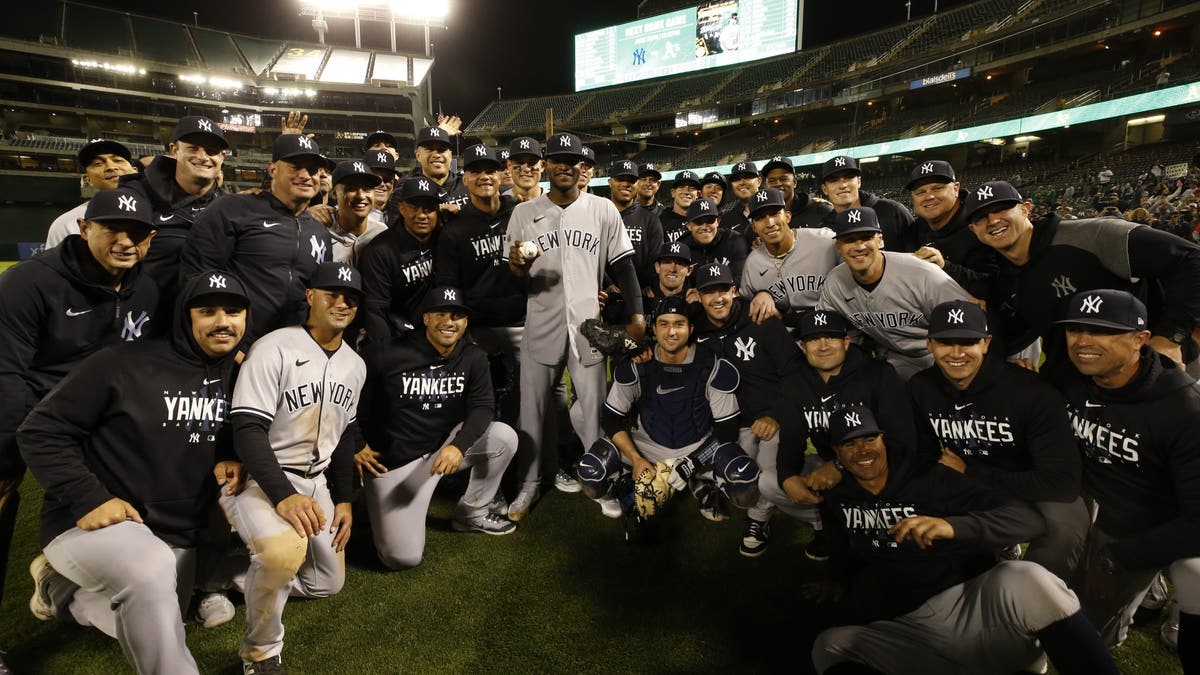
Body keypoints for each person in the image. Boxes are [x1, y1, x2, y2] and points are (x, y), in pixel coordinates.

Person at [20, 272, 249, 675]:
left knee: (159, 617)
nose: (222, 322)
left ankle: (61, 593)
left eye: (233, 311)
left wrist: (234, 456)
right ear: (184, 315)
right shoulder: (124, 362)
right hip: (91, 522)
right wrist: (89, 497)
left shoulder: (241, 373)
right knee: (148, 572)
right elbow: (40, 431)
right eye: (207, 311)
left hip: (171, 534)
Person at [807, 406, 1119, 675]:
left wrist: (952, 526)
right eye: (849, 443)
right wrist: (837, 579)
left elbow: (1027, 520)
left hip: (973, 608)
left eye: (869, 438)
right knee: (828, 647)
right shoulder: (837, 493)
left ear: (882, 438)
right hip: (908, 631)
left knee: (1029, 578)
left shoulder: (929, 477)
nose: (862, 451)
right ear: (835, 454)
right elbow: (840, 541)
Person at [0, 188, 159, 617]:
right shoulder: (28, 281)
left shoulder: (145, 288)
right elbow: (6, 374)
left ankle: (61, 578)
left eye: (138, 233)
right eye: (114, 229)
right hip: (42, 421)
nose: (126, 241)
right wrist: (9, 456)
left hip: (106, 428)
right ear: (85, 227)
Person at [220, 263, 365, 674]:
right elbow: (247, 428)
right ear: (310, 296)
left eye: (350, 297)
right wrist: (283, 495)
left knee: (326, 583)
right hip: (262, 478)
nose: (341, 303)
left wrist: (345, 501)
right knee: (284, 551)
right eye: (332, 293)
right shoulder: (274, 347)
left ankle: (226, 576)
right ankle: (261, 653)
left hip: (315, 481)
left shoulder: (356, 365)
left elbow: (344, 440)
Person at [1045, 289, 1200, 666]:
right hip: (1085, 510)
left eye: (1102, 331)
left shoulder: (1183, 409)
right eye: (1076, 329)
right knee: (1056, 603)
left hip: (1138, 532)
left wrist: (1126, 555)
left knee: (1091, 624)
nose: (1083, 342)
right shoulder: (1070, 375)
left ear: (1140, 339)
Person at [504, 131, 646, 520]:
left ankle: (601, 479)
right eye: (557, 158)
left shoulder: (602, 209)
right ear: (545, 165)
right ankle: (529, 485)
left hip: (589, 326)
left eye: (573, 160)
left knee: (594, 411)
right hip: (541, 323)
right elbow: (513, 275)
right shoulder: (523, 213)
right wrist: (517, 265)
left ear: (582, 167)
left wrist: (637, 314)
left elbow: (623, 265)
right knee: (531, 410)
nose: (565, 165)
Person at [909, 300, 1087, 581]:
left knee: (1065, 526)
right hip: (971, 482)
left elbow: (1061, 484)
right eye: (945, 342)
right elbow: (922, 456)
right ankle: (984, 563)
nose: (957, 353)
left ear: (986, 343)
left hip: (1034, 485)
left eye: (968, 342)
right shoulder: (921, 387)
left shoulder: (1032, 392)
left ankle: (1039, 598)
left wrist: (971, 473)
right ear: (929, 344)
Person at [355, 286, 519, 569]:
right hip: (396, 464)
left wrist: (459, 446)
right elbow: (349, 402)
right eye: (440, 314)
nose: (449, 322)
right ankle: (372, 510)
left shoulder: (473, 357)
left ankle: (472, 513)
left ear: (465, 323)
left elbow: (482, 407)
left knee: (504, 437)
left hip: (443, 450)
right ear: (426, 318)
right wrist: (355, 443)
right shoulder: (386, 353)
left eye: (456, 316)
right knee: (401, 557)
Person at [964, 180, 1200, 366]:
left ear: (1026, 209)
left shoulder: (1094, 235)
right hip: (1078, 388)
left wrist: (1171, 337)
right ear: (972, 229)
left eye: (1001, 209)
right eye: (981, 217)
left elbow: (1191, 258)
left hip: (1146, 374)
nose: (993, 220)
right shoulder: (1006, 278)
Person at [579, 296, 750, 527]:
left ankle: (700, 482)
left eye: (679, 324)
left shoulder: (711, 365)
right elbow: (611, 419)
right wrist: (636, 459)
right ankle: (626, 485)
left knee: (743, 480)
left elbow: (727, 431)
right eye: (664, 324)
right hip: (647, 444)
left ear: (690, 329)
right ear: (654, 328)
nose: (671, 332)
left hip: (695, 446)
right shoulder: (638, 363)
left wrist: (692, 463)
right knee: (591, 471)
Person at [776, 309, 917, 561]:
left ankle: (859, 527)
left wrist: (840, 466)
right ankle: (826, 527)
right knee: (769, 482)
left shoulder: (879, 374)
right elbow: (790, 439)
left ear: (846, 341)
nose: (823, 346)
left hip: (882, 468)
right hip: (830, 471)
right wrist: (787, 476)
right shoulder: (794, 382)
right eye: (813, 339)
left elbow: (902, 441)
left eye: (830, 337)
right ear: (803, 346)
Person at [691, 264, 806, 556]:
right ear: (697, 296)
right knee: (741, 485)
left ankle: (758, 521)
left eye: (723, 290)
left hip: (772, 418)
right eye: (708, 292)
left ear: (735, 291)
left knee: (768, 480)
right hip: (731, 423)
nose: (717, 298)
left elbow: (796, 372)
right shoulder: (697, 329)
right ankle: (710, 480)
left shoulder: (761, 319)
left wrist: (776, 415)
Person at [180, 134, 332, 344]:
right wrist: (229, 344)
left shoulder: (320, 232)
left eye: (313, 170)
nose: (306, 175)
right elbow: (198, 276)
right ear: (272, 170)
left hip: (295, 350)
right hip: (238, 346)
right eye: (295, 166)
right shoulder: (233, 209)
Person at [817, 206, 972, 380]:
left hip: (942, 353)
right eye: (850, 240)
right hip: (897, 357)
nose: (859, 246)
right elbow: (825, 330)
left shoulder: (921, 272)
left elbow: (968, 321)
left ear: (880, 240)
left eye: (866, 237)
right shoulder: (835, 281)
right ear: (838, 246)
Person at [434, 144, 524, 424]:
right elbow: (448, 284)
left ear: (501, 175)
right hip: (480, 329)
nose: (484, 176)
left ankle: (527, 460)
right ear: (465, 179)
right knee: (484, 401)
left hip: (524, 322)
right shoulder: (454, 227)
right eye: (476, 171)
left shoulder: (519, 214)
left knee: (527, 401)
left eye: (491, 170)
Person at [124, 116, 229, 299]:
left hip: (206, 317)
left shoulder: (231, 207)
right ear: (174, 150)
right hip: (146, 315)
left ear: (222, 157)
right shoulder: (136, 197)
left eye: (211, 151)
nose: (203, 157)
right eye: (193, 148)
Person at [739, 188, 839, 332]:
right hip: (788, 340)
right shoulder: (753, 263)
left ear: (787, 216)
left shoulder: (825, 241)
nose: (769, 223)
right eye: (760, 218)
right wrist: (760, 295)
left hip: (832, 330)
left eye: (774, 214)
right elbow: (746, 304)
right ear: (754, 227)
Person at [359, 177, 442, 341]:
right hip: (399, 335)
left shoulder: (445, 238)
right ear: (402, 209)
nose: (422, 215)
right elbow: (375, 311)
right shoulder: (380, 251)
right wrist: (388, 354)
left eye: (428, 209)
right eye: (414, 208)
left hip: (438, 332)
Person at [907, 160, 998, 299]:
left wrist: (945, 267)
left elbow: (994, 286)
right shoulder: (914, 228)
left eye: (937, 188)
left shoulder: (981, 223)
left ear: (956, 189)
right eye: (920, 192)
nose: (929, 196)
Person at [45, 139, 138, 248]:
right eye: (98, 164)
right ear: (87, 179)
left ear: (135, 171)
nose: (111, 167)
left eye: (118, 160)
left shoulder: (158, 212)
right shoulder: (66, 223)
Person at [818, 154, 917, 252]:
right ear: (824, 189)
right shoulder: (825, 229)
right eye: (834, 180)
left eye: (848, 178)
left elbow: (920, 252)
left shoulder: (893, 210)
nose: (843, 185)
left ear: (859, 181)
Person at [608, 159, 665, 287]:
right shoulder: (599, 215)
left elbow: (655, 260)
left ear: (637, 184)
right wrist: (607, 284)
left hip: (641, 292)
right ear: (610, 182)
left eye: (631, 181)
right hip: (602, 293)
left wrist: (645, 286)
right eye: (620, 179)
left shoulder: (651, 219)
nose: (626, 184)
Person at [325, 161, 386, 265]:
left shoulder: (382, 233)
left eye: (367, 189)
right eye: (351, 188)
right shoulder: (321, 232)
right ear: (334, 193)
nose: (361, 196)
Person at [678, 198, 749, 282]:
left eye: (710, 221)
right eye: (698, 222)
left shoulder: (734, 241)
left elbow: (741, 280)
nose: (704, 227)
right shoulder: (681, 247)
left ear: (718, 221)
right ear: (689, 226)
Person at [760, 155, 832, 229]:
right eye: (772, 181)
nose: (778, 184)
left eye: (783, 179)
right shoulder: (759, 217)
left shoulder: (820, 211)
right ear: (766, 185)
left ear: (794, 182)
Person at [411, 126, 468, 212]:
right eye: (429, 149)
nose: (437, 155)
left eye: (442, 150)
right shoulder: (409, 188)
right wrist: (435, 210)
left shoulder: (467, 185)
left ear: (450, 155)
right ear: (418, 156)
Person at [642, 241, 694, 319]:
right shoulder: (642, 299)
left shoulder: (695, 301)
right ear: (657, 267)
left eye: (680, 263)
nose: (672, 269)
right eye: (667, 262)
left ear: (689, 270)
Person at [719, 161, 761, 239]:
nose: (742, 182)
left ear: (759, 181)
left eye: (747, 177)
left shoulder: (776, 209)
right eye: (736, 179)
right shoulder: (726, 219)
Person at [660, 170, 701, 243]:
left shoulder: (704, 220)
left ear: (698, 194)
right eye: (681, 187)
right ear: (673, 192)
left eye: (691, 188)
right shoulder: (660, 221)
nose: (686, 192)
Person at [506, 137, 544, 203]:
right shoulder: (500, 205)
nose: (526, 169)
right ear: (509, 166)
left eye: (532, 162)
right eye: (519, 162)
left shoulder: (555, 202)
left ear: (542, 166)